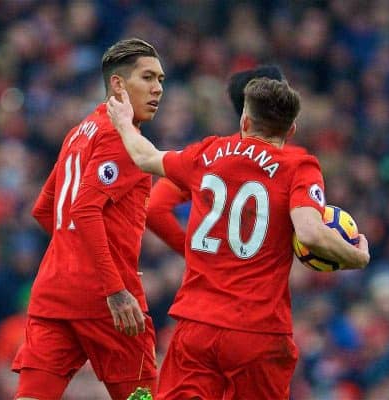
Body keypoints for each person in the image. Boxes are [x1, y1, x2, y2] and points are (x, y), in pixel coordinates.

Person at [107, 78, 370, 399]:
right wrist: (356, 257)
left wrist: (123, 122)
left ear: (245, 121)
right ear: (291, 131)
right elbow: (311, 233)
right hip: (257, 332)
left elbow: (145, 157)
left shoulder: (209, 152)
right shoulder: (299, 166)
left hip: (197, 324)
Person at [12, 38, 165, 400]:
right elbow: (83, 209)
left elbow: (43, 209)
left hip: (53, 295)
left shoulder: (79, 132)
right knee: (140, 397)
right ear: (118, 84)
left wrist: (74, 256)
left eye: (161, 79)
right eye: (147, 77)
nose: (158, 88)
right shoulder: (121, 138)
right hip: (108, 302)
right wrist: (113, 286)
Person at [146, 65, 307, 256]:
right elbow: (309, 231)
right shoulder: (296, 162)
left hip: (209, 277)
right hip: (261, 281)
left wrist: (192, 253)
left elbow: (154, 208)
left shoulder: (208, 155)